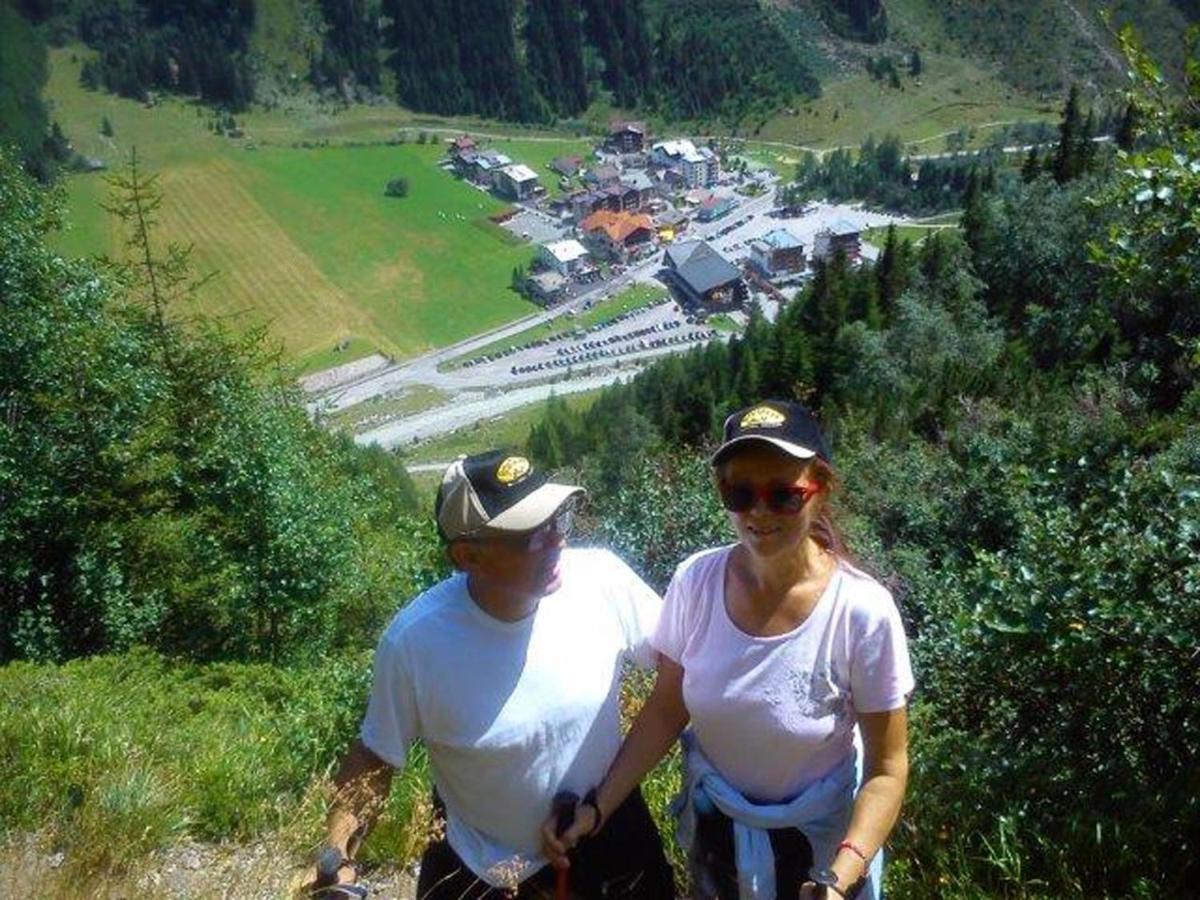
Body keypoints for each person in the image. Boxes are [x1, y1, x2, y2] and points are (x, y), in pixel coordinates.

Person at [543, 401, 914, 900]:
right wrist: (596, 810)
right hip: (719, 837)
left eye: (783, 495)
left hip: (822, 854)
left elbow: (887, 770)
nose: (758, 513)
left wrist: (839, 878)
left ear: (819, 489)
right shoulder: (696, 582)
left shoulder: (862, 612)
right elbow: (666, 710)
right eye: (740, 494)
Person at [306, 449, 675, 900]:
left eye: (557, 522)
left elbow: (685, 676)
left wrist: (600, 807)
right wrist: (338, 856)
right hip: (480, 868)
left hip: (612, 838)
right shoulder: (415, 642)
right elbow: (375, 756)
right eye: (530, 536)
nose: (556, 541)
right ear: (467, 556)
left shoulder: (602, 580)